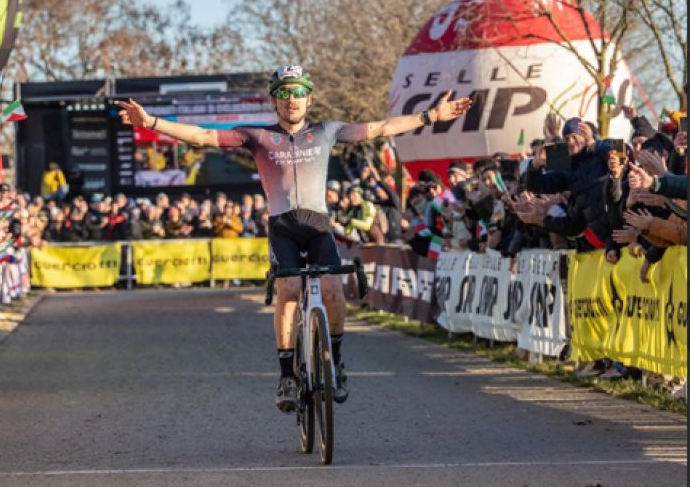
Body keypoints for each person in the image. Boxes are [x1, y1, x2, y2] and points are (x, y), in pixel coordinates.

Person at [116, 64, 471, 413]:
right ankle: (287, 374)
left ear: (309, 99)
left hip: (318, 225)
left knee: (332, 289)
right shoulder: (258, 137)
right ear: (275, 100)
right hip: (283, 227)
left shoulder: (327, 131)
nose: (292, 100)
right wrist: (150, 123)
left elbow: (381, 127)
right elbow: (203, 136)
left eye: (299, 93)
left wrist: (430, 117)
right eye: (285, 94)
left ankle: (336, 359)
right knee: (288, 290)